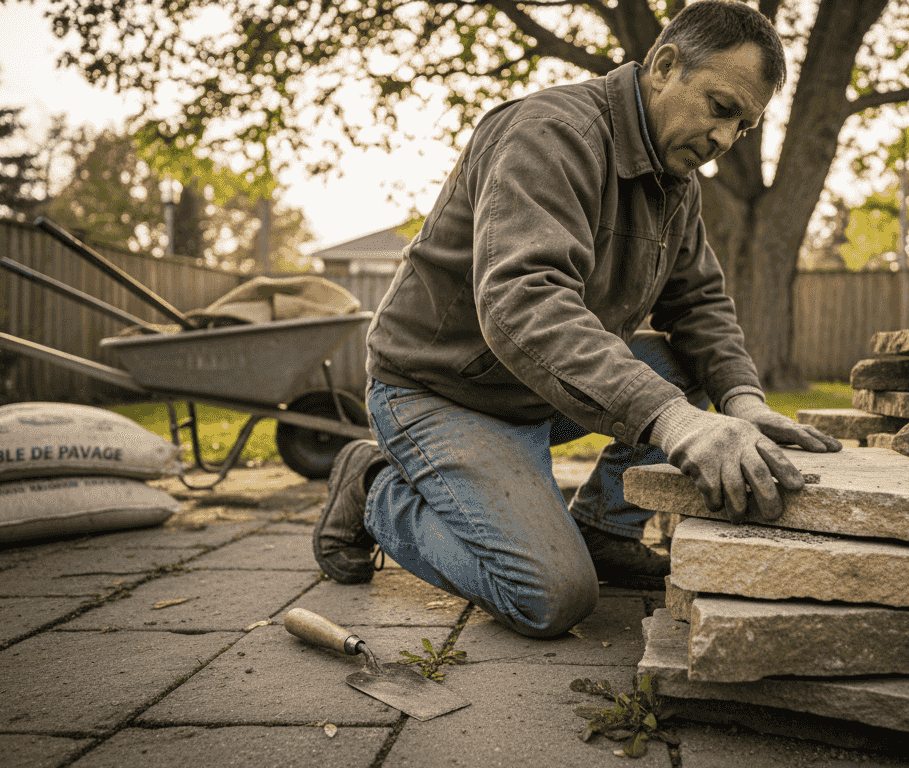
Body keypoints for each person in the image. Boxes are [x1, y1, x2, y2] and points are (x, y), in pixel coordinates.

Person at [314, 0, 841, 638]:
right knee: (549, 596)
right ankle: (373, 485)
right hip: (444, 392)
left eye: (745, 126)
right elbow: (522, 299)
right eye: (721, 107)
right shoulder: (549, 132)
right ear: (666, 66)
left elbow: (698, 303)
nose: (726, 139)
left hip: (538, 388)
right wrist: (675, 422)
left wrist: (744, 403)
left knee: (694, 365)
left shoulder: (677, 181)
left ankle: (604, 528)